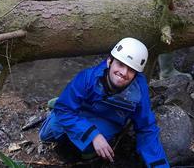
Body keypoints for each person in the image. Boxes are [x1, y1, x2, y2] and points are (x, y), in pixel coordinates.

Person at [39, 37, 170, 167]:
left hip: (108, 119)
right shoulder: (87, 77)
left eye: (131, 69)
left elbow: (146, 128)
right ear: (109, 61)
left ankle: (70, 105)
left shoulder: (139, 91)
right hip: (82, 109)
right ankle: (63, 100)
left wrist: (159, 166)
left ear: (136, 74)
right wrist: (94, 135)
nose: (124, 73)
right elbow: (64, 110)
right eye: (120, 64)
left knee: (87, 148)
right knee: (46, 135)